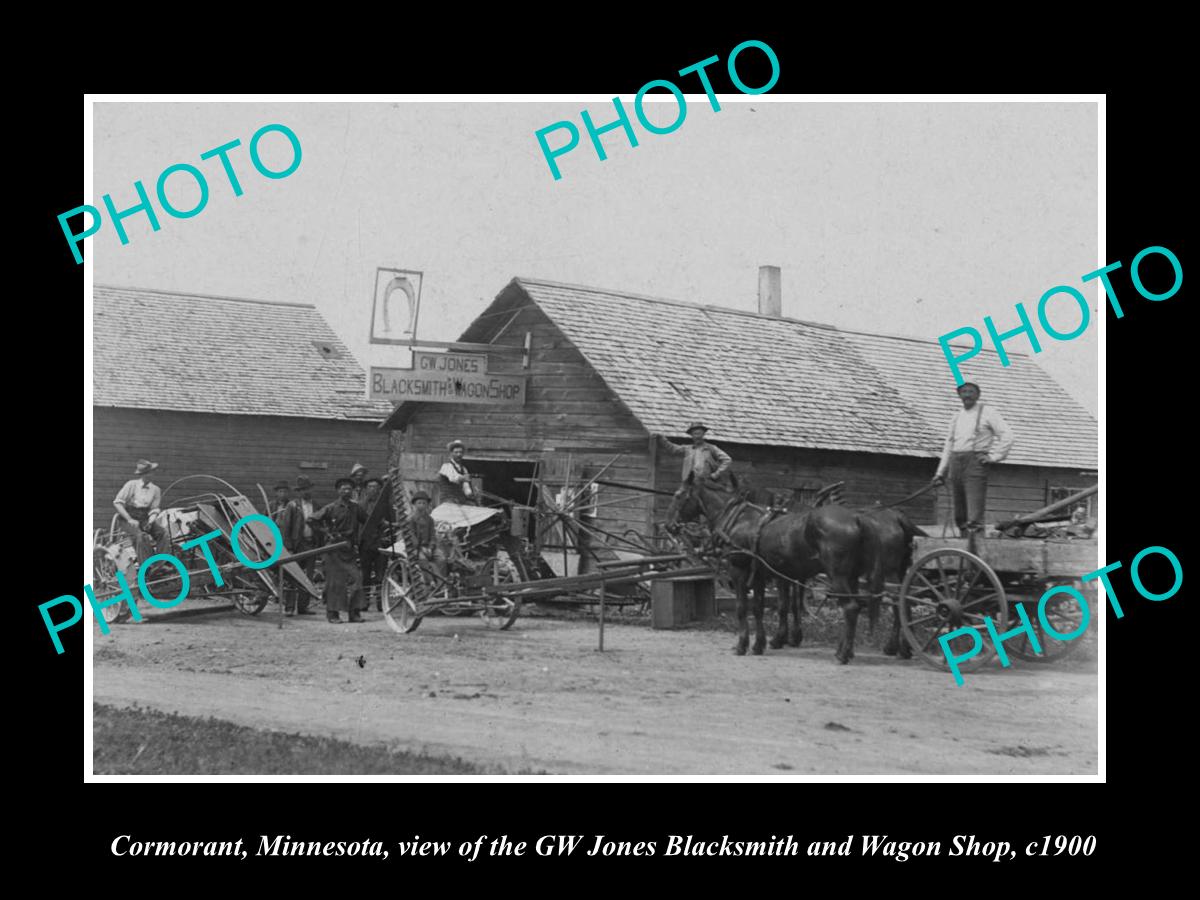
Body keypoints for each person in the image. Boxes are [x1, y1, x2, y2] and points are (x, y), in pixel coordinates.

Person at [931, 382, 1015, 536]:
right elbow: (949, 444)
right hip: (956, 462)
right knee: (960, 514)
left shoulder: (988, 412)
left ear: (978, 395)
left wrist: (994, 457)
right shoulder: (957, 416)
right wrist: (940, 472)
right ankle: (964, 547)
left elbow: (1007, 436)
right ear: (959, 395)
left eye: (971, 391)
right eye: (964, 392)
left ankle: (975, 549)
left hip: (975, 463)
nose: (967, 395)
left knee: (974, 514)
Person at [308, 477, 369, 624]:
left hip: (349, 550)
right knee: (334, 583)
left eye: (349, 488)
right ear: (338, 491)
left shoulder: (356, 508)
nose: (347, 491)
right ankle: (332, 614)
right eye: (343, 488)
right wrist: (325, 532)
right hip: (333, 550)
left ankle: (354, 613)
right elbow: (311, 519)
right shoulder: (330, 508)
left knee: (357, 580)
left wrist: (387, 524)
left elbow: (368, 520)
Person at [113, 459, 170, 567]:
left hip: (144, 519)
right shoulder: (131, 485)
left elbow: (154, 509)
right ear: (143, 474)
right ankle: (147, 567)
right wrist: (129, 519)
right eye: (150, 472)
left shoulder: (155, 489)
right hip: (127, 518)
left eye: (153, 472)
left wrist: (151, 520)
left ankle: (160, 565)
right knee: (141, 536)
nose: (153, 474)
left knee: (163, 533)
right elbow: (117, 503)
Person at [656, 423, 733, 487]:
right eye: (695, 434)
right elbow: (673, 448)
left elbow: (727, 459)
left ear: (703, 434)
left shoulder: (711, 448)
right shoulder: (688, 449)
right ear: (692, 436)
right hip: (689, 484)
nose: (697, 436)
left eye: (699, 434)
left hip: (706, 483)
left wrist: (716, 474)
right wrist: (662, 439)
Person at [358, 476, 390, 612]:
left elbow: (391, 523)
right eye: (370, 487)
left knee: (380, 574)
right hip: (365, 544)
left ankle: (380, 602)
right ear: (366, 490)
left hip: (381, 543)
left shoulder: (385, 505)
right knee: (365, 574)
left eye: (376, 487)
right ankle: (364, 602)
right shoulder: (360, 505)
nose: (373, 490)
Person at [409, 490, 447, 579]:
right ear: (414, 505)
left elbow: (433, 535)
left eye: (424, 503)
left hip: (429, 547)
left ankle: (440, 581)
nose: (421, 505)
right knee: (423, 560)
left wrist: (430, 547)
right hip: (415, 548)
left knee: (441, 558)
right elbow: (412, 536)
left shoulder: (429, 520)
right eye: (419, 503)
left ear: (427, 505)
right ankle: (428, 583)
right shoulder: (411, 519)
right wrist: (420, 548)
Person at [438, 440, 477, 504]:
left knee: (473, 505)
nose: (459, 454)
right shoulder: (446, 466)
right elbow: (453, 478)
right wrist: (463, 478)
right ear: (451, 453)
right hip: (448, 500)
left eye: (460, 452)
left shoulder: (464, 469)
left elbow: (466, 487)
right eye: (456, 452)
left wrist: (471, 494)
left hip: (459, 500)